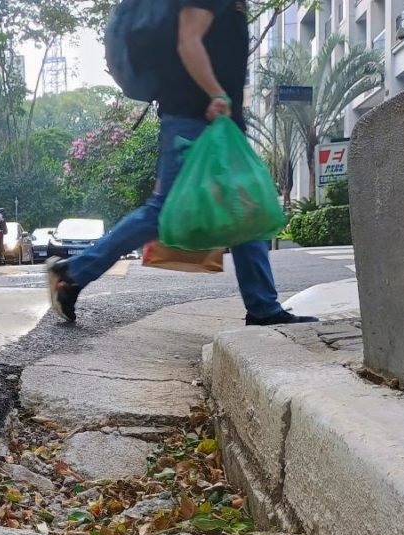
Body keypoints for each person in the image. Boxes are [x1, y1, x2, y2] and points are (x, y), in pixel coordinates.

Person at [47, 0, 317, 327]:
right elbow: (188, 41)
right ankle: (72, 273)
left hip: (216, 121)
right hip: (195, 118)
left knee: (246, 210)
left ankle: (263, 306)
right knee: (162, 212)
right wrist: (217, 94)